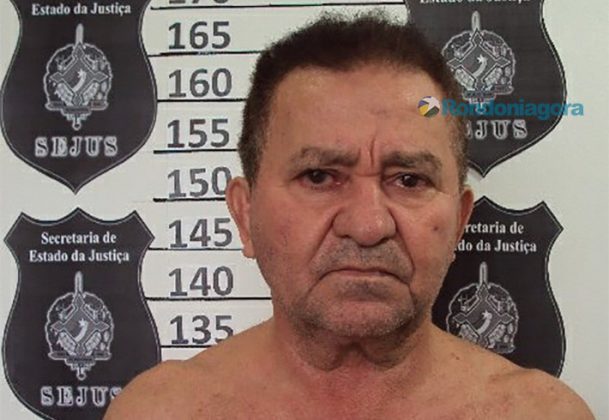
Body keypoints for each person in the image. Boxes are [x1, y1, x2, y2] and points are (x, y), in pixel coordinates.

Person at [105, 12, 593, 419]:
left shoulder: (540, 414)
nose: (368, 226)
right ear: (244, 212)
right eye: (319, 177)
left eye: (409, 180)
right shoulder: (159, 412)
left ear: (460, 221)